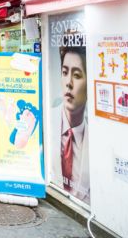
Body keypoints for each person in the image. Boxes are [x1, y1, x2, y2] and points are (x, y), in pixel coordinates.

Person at [51, 45, 90, 202]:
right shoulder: (46, 124)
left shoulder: (97, 138)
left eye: (77, 75)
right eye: (65, 73)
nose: (69, 83)